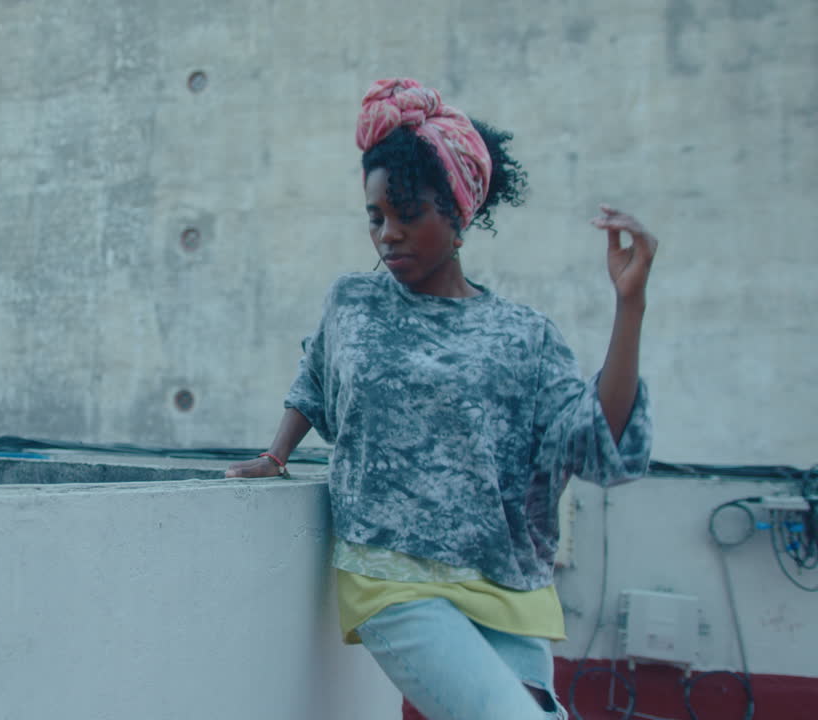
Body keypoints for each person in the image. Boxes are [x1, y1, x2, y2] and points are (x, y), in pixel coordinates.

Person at [225, 78, 656, 720]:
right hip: (389, 574)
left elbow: (595, 439)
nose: (388, 234)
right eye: (376, 217)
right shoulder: (354, 302)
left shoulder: (524, 334)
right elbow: (314, 379)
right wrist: (277, 452)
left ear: (458, 215)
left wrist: (630, 304)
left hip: (509, 578)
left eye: (409, 213)